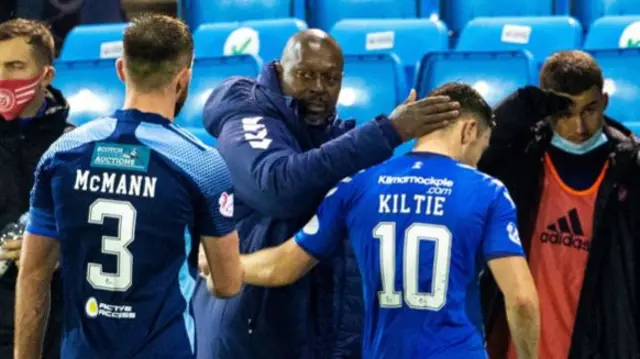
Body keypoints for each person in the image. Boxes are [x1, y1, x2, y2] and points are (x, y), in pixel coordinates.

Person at [197, 29, 461, 359]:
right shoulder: (247, 116)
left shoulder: (336, 140)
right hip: (250, 334)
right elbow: (278, 188)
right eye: (306, 75)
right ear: (279, 70)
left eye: (331, 78)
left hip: (313, 334)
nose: (319, 89)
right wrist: (389, 131)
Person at [239, 83, 540, 359]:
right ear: (470, 130)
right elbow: (522, 300)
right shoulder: (488, 192)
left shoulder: (357, 185)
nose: (477, 161)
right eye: (481, 149)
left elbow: (283, 266)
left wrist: (227, 266)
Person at [14, 14, 243, 359]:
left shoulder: (62, 153)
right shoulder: (202, 164)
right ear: (183, 79)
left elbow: (33, 277)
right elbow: (228, 285)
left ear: (121, 69)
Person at [478, 50, 640, 358]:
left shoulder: (629, 169)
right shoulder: (522, 158)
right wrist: (522, 107)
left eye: (590, 109)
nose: (579, 127)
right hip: (519, 345)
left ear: (605, 102)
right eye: (565, 113)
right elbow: (474, 156)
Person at [0, 18, 71, 359]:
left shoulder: (78, 146)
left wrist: (60, 254)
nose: (3, 78)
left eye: (14, 67)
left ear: (46, 75)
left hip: (58, 323)